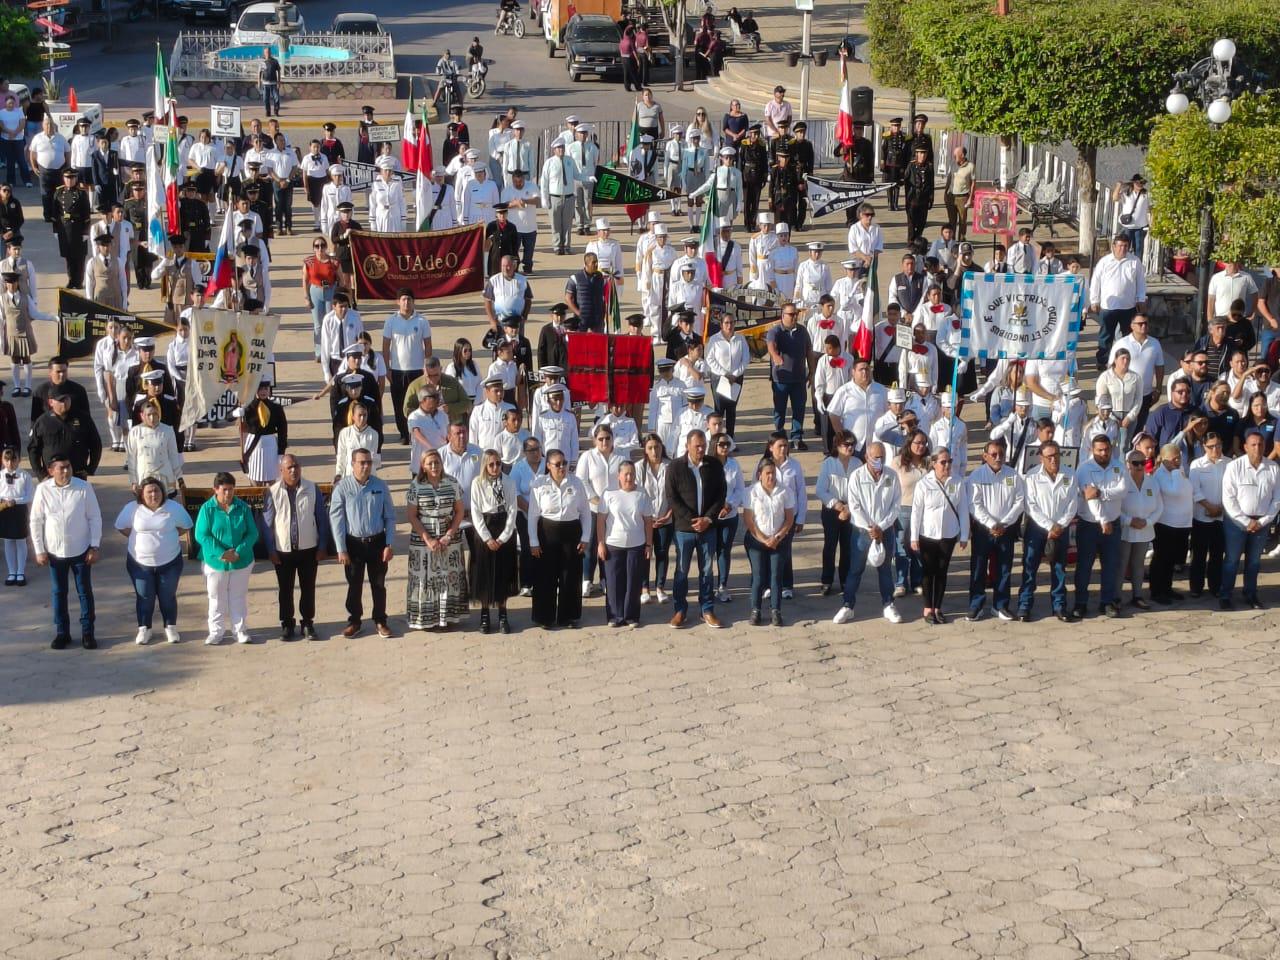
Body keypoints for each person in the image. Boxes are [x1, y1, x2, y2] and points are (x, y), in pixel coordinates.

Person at [30, 456, 102, 649]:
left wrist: (94, 546)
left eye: (68, 467)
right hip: (55, 552)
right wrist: (39, 550)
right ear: (51, 470)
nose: (65, 472)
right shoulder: (43, 490)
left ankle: (88, 632)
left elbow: (94, 517)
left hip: (81, 550)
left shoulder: (83, 488)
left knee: (84, 592)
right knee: (59, 592)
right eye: (61, 468)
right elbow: (36, 521)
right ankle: (62, 633)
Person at [114, 477, 192, 646]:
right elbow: (121, 526)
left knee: (167, 596)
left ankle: (170, 626)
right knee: (144, 597)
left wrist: (169, 536)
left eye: (157, 490)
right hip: (139, 564)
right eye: (149, 491)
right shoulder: (132, 509)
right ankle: (144, 629)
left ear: (163, 492)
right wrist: (137, 538)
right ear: (141, 494)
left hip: (170, 562)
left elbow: (186, 525)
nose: (153, 494)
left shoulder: (173, 508)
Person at [833, 440, 903, 625]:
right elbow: (854, 506)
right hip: (862, 531)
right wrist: (870, 528)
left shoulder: (891, 476)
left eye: (882, 457)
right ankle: (848, 605)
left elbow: (896, 505)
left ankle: (888, 604)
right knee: (855, 569)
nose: (879, 461)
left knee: (885, 569)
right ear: (866, 457)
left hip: (885, 531)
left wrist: (881, 527)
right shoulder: (857, 476)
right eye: (875, 457)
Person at [330, 447, 396, 638]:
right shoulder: (342, 488)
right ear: (352, 465)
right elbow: (337, 519)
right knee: (354, 584)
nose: (366, 466)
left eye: (369, 462)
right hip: (353, 544)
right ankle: (355, 621)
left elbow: (390, 517)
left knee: (379, 584)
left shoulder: (380, 486)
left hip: (377, 542)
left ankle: (380, 620)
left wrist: (389, 544)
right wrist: (341, 549)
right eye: (362, 462)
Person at [263, 455, 330, 642]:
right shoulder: (273, 492)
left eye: (297, 466)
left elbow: (322, 519)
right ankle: (287, 624)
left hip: (308, 549)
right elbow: (268, 524)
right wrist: (271, 550)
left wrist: (322, 546)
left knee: (308, 588)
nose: (294, 471)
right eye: (290, 467)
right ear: (281, 471)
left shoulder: (312, 488)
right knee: (285, 589)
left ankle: (307, 623)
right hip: (283, 550)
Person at [666, 429, 727, 628]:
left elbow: (721, 495)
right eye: (696, 446)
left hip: (707, 528)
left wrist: (708, 519)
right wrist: (693, 519)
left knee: (707, 570)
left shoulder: (714, 465)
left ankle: (707, 609)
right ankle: (680, 610)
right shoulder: (675, 467)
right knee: (682, 571)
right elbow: (672, 498)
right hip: (684, 529)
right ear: (687, 445)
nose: (701, 449)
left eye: (703, 445)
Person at [405, 448, 468, 632]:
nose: (434, 466)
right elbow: (412, 516)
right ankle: (427, 619)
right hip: (423, 540)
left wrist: (449, 535)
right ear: (423, 466)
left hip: (450, 539)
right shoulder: (415, 486)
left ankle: (447, 617)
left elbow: (459, 512)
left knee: (448, 576)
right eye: (430, 463)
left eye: (437, 462)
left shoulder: (452, 483)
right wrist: (428, 539)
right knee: (426, 578)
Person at [191, 471, 257, 645]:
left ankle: (240, 630)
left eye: (231, 489)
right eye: (225, 490)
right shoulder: (207, 509)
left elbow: (252, 533)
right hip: (216, 562)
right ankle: (216, 632)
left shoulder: (242, 507)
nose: (228, 494)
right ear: (216, 490)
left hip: (240, 561)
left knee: (238, 596)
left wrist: (238, 551)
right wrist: (221, 552)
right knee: (216, 597)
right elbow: (201, 535)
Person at [528, 448, 591, 628]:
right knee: (545, 576)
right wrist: (533, 541)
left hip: (571, 533)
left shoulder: (576, 483)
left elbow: (585, 513)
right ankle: (544, 617)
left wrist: (585, 537)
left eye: (564, 463)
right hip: (547, 533)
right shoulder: (539, 484)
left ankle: (568, 616)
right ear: (548, 466)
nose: (562, 467)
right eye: (557, 464)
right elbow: (533, 516)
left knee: (569, 576)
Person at [1018, 441, 1079, 622]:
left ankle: (1059, 606)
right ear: (1041, 458)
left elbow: (1072, 503)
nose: (1053, 460)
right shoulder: (1031, 476)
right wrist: (1048, 526)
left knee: (1060, 568)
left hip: (1061, 527)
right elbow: (1030, 505)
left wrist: (1059, 525)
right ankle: (1024, 605)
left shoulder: (1070, 474)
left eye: (1056, 455)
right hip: (1037, 528)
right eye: (1049, 456)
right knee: (1030, 567)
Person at [1073, 435, 1132, 620]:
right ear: (1092, 449)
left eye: (1106, 449)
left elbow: (1123, 490)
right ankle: (1080, 603)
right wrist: (1103, 519)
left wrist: (1101, 492)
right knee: (1084, 565)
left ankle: (1107, 602)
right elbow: (1090, 499)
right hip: (1090, 524)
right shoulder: (1084, 469)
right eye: (1100, 450)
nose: (1104, 453)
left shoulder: (1119, 466)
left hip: (1113, 524)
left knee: (1111, 565)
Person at [1219, 430, 1278, 610]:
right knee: (1232, 560)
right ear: (1245, 447)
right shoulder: (1234, 466)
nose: (1257, 448)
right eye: (1253, 444)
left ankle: (1250, 594)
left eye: (1260, 444)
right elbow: (1228, 499)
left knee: (1253, 561)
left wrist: (1263, 521)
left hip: (1262, 523)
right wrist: (1246, 521)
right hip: (1236, 523)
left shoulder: (1273, 468)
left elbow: (1277, 499)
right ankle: (1225, 595)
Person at [910, 449, 969, 625]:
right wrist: (913, 537)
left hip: (948, 534)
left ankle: (938, 607)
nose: (947, 465)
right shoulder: (924, 483)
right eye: (943, 462)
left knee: (942, 571)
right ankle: (928, 607)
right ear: (933, 463)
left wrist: (964, 534)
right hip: (927, 534)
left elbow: (963, 509)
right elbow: (916, 511)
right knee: (929, 571)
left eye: (949, 461)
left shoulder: (957, 481)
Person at [598, 461, 654, 628]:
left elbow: (648, 521)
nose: (629, 477)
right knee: (614, 582)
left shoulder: (642, 494)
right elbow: (601, 521)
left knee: (633, 582)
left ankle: (631, 616)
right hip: (613, 544)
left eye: (632, 474)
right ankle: (615, 616)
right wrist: (600, 543)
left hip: (636, 545)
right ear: (619, 476)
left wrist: (649, 545)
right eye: (626, 474)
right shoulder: (609, 494)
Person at [469, 449, 518, 633]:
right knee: (485, 572)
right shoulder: (477, 483)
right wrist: (487, 537)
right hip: (485, 529)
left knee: (503, 573)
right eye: (491, 464)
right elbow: (475, 511)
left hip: (503, 526)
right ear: (485, 465)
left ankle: (503, 614)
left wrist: (505, 536)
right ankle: (484, 614)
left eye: (498, 463)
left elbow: (512, 508)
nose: (495, 467)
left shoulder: (508, 481)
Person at [743, 459, 794, 627]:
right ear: (760, 475)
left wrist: (777, 537)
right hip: (757, 540)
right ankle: (755, 610)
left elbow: (789, 518)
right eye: (767, 473)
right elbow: (749, 520)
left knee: (776, 576)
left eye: (773, 473)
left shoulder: (785, 491)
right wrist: (764, 539)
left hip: (778, 541)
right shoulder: (751, 492)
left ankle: (775, 610)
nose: (771, 476)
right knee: (758, 576)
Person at [382, 290, 433, 445]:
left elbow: (428, 345)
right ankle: (404, 433)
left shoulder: (422, 321)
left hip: (417, 370)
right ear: (398, 302)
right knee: (399, 404)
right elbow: (385, 346)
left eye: (409, 299)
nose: (406, 302)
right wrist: (387, 368)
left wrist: (427, 368)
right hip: (397, 371)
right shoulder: (391, 321)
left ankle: (417, 432)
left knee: (417, 404)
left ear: (413, 301)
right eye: (403, 299)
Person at [1088, 236, 1146, 372]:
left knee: (1127, 336)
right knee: (1105, 336)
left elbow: (1141, 282)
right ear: (1114, 246)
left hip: (1128, 306)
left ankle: (1126, 360)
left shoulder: (1134, 261)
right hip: (1109, 307)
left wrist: (1141, 299)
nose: (1123, 249)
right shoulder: (1104, 262)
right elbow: (1095, 282)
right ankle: (1103, 361)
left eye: (1125, 246)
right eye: (1120, 246)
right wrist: (1094, 300)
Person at [816, 429, 859, 596]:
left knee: (847, 547)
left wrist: (849, 508)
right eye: (846, 444)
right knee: (830, 546)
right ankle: (826, 580)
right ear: (837, 446)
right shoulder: (828, 463)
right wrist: (837, 505)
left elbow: (860, 490)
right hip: (831, 510)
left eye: (852, 444)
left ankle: (844, 580)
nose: (850, 447)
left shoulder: (857, 463)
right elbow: (821, 490)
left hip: (851, 510)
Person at [1149, 443, 1193, 605]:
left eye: (1179, 457)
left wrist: (1176, 471)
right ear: (1164, 460)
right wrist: (1175, 471)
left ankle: (1167, 588)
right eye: (1174, 458)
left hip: (1181, 524)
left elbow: (1187, 490)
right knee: (1161, 558)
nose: (1177, 461)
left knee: (1172, 560)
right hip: (1165, 523)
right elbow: (1175, 491)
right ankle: (1156, 591)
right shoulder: (1160, 475)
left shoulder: (1179, 472)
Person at [1117, 449, 1161, 610]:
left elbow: (1159, 506)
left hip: (1145, 530)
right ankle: (1116, 597)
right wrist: (1129, 521)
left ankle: (1137, 595)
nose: (1140, 466)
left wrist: (1148, 522)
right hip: (1125, 530)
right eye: (1135, 463)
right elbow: (1115, 508)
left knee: (1139, 564)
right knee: (1121, 564)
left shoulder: (1152, 482)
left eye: (1143, 462)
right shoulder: (1121, 482)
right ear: (1128, 464)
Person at [765, 303, 812, 448]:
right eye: (791, 314)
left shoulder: (803, 331)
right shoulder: (775, 331)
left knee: (799, 408)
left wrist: (812, 371)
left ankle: (796, 437)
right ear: (783, 315)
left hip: (799, 378)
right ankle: (779, 434)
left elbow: (808, 351)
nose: (794, 317)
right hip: (781, 378)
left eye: (796, 314)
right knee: (780, 409)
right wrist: (775, 356)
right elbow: (770, 344)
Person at [1188, 432, 1228, 599]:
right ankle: (1196, 587)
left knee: (1217, 555)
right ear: (1204, 447)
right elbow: (1194, 490)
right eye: (1211, 446)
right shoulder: (1197, 465)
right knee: (1198, 554)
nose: (1215, 449)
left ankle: (1215, 586)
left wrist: (1220, 508)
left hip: (1222, 516)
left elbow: (1232, 489)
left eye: (1218, 445)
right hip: (1201, 516)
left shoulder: (1229, 463)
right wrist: (1209, 506)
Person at [0, 444, 32, 585]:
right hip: (4, 510)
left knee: (20, 540)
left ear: (18, 459)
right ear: (2, 460)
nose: (10, 463)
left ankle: (20, 571)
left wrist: (16, 501)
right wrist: (4, 501)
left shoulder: (25, 475)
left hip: (19, 510)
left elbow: (29, 496)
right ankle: (11, 571)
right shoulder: (0, 476)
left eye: (13, 459)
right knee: (8, 541)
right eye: (6, 460)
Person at [1112, 174, 1151, 262]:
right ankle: (1125, 263)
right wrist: (1118, 186)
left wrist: (1153, 222)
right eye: (1138, 183)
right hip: (1128, 226)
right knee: (1125, 247)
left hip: (1140, 227)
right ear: (1134, 183)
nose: (1140, 185)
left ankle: (1137, 266)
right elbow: (1115, 198)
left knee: (1139, 249)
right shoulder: (1127, 193)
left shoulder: (1146, 194)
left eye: (1142, 183)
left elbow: (1151, 208)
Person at [259, 47, 282, 117]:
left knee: (276, 98)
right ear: (264, 53)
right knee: (265, 99)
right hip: (265, 84)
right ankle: (268, 111)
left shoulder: (275, 61)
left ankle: (276, 111)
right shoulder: (262, 62)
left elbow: (278, 71)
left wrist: (279, 81)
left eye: (268, 52)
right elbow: (260, 73)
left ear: (270, 52)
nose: (267, 53)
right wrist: (258, 82)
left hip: (274, 83)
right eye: (266, 52)